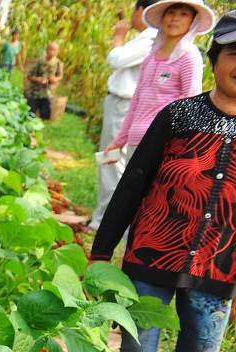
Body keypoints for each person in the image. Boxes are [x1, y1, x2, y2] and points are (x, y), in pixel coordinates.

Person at [90, 9, 236, 352]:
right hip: (152, 253)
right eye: (234, 53)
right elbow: (133, 181)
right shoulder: (179, 115)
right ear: (215, 58)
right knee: (138, 348)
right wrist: (101, 250)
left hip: (218, 266)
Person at [101, 1, 214, 164]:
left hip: (163, 143)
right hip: (136, 139)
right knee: (132, 188)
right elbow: (136, 101)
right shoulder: (151, 58)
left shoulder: (188, 57)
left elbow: (190, 103)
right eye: (171, 13)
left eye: (184, 14)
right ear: (162, 18)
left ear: (193, 21)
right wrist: (120, 140)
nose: (175, 18)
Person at [89, 0, 158, 232]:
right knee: (111, 160)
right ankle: (104, 217)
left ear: (142, 11)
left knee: (112, 160)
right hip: (120, 104)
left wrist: (119, 37)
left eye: (133, 11)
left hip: (124, 105)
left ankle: (105, 221)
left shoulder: (151, 38)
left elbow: (116, 59)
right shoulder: (145, 38)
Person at [26, 42, 65, 120]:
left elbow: (60, 76)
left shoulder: (58, 63)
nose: (52, 52)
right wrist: (38, 79)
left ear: (57, 52)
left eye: (54, 50)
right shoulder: (39, 61)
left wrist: (55, 79)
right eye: (50, 49)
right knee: (29, 115)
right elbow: (29, 77)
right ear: (46, 50)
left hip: (47, 94)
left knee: (45, 116)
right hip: (34, 93)